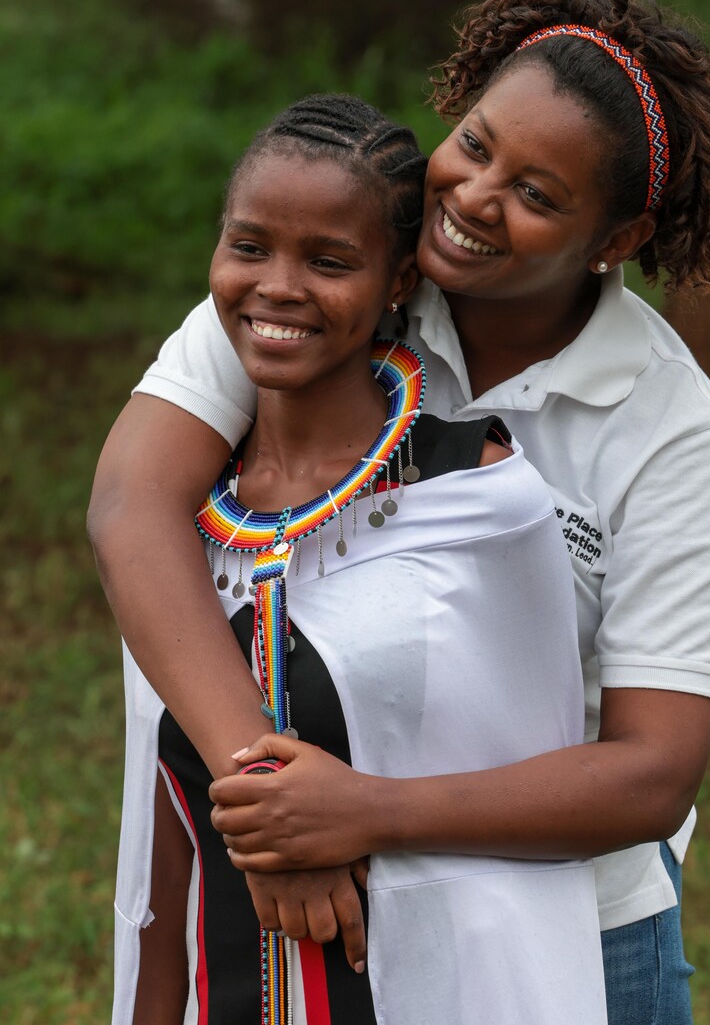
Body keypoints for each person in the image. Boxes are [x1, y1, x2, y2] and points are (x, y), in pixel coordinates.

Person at [90, 0, 710, 1025]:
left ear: (617, 241)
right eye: (475, 145)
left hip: (576, 925)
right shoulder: (336, 275)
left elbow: (650, 773)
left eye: (537, 195)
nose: (472, 200)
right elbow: (134, 508)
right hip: (326, 910)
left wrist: (361, 812)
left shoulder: (670, 430)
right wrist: (269, 802)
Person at [109, 94, 608, 1025]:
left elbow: (533, 819)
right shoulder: (184, 528)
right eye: (248, 246)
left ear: (396, 284)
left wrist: (344, 820)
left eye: (329, 261)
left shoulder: (484, 506)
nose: (277, 286)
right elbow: (164, 818)